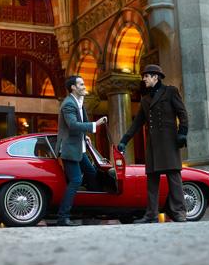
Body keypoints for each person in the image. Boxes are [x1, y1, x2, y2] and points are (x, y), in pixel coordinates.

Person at [117, 64, 188, 223]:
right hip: (153, 144)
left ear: (155, 77)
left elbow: (182, 113)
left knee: (174, 178)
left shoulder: (170, 91)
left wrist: (183, 132)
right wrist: (124, 141)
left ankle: (179, 213)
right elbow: (137, 123)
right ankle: (151, 215)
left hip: (169, 141)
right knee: (152, 180)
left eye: (146, 76)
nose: (144, 79)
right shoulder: (145, 99)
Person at [55, 75, 107, 227]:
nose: (84, 86)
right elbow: (72, 125)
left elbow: (80, 124)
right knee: (76, 180)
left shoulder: (79, 103)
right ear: (73, 87)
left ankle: (94, 208)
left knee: (91, 173)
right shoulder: (68, 104)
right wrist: (95, 124)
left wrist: (84, 137)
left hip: (79, 147)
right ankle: (62, 217)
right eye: (81, 84)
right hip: (69, 148)